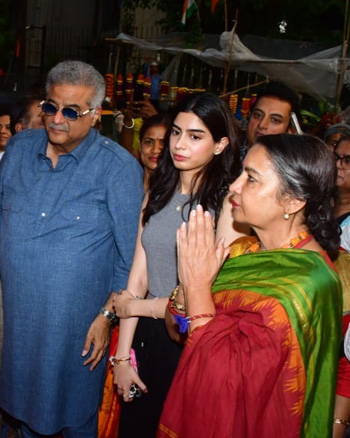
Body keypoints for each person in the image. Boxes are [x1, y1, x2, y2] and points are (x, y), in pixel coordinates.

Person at [159, 133, 342, 438]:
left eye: (252, 178)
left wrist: (198, 286)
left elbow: (224, 378)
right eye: (241, 173)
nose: (234, 186)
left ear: (293, 200)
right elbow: (178, 331)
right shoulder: (244, 251)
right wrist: (187, 291)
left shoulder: (309, 283)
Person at [0, 60, 143, 438]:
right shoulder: (18, 149)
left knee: (74, 416)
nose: (56, 119)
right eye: (50, 107)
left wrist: (107, 316)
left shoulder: (118, 169)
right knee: (22, 415)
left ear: (95, 116)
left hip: (77, 333)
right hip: (17, 326)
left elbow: (131, 258)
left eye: (71, 111)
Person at [112, 93, 244, 438]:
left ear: (220, 145)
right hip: (145, 334)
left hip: (188, 339)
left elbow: (206, 290)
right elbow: (137, 276)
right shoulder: (159, 187)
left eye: (195, 136)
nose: (179, 144)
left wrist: (136, 306)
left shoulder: (228, 203)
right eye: (176, 132)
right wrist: (122, 359)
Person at [245, 81, 300, 152]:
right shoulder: (229, 157)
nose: (262, 125)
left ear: (291, 131)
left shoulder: (295, 162)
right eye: (258, 115)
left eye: (275, 120)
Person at [139, 113, 169, 191]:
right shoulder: (127, 182)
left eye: (163, 143)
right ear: (140, 145)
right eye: (149, 142)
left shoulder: (174, 191)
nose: (155, 150)